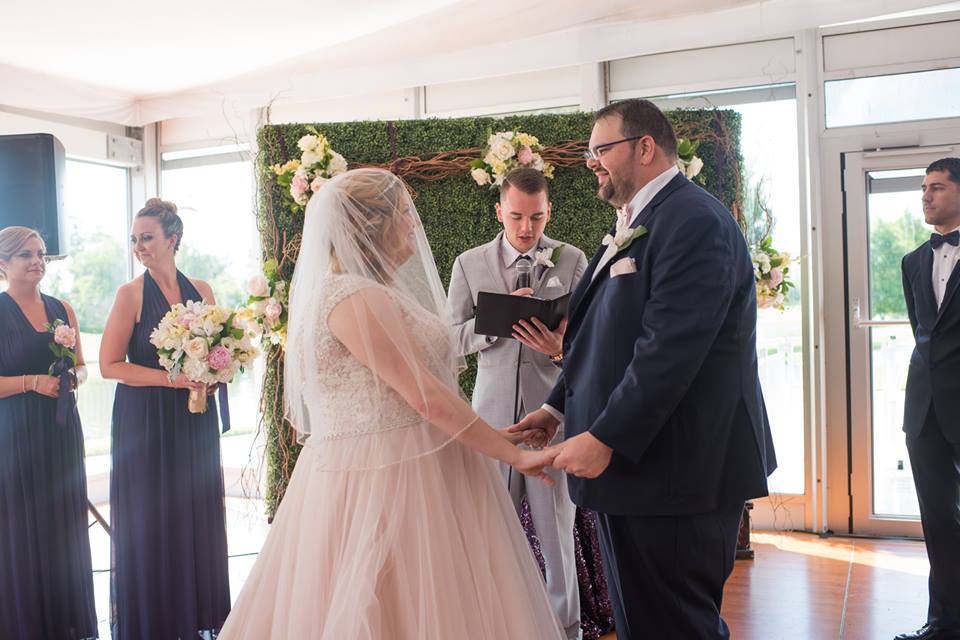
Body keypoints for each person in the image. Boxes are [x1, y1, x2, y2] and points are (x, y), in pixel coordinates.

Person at [218, 168, 563, 639]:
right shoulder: (354, 298)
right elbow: (423, 394)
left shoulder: (366, 292)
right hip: (385, 476)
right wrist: (514, 455)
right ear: (373, 225)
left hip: (415, 460)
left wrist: (491, 436)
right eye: (404, 214)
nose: (414, 225)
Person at [511, 98, 777, 640]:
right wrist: (556, 406)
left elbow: (671, 349)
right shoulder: (640, 219)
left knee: (674, 626)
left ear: (645, 147)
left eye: (600, 150)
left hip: (677, 471)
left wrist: (606, 434)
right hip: (641, 474)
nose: (592, 163)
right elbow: (601, 337)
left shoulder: (693, 220)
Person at [447, 167, 587, 640]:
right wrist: (498, 322)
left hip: (551, 419)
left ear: (549, 211)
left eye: (537, 217)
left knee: (558, 536)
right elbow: (450, 339)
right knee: (491, 532)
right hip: (491, 423)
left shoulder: (572, 260)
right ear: (498, 212)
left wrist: (559, 348)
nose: (527, 229)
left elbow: (591, 340)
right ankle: (491, 626)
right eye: (516, 217)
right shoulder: (468, 263)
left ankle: (565, 629)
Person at [100, 198, 230, 639]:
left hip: (194, 421)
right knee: (153, 517)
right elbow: (109, 365)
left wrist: (214, 372)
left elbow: (218, 350)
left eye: (148, 238)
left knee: (193, 508)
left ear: (172, 239)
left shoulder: (203, 290)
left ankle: (195, 615)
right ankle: (153, 620)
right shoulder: (130, 294)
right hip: (145, 422)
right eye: (135, 239)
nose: (139, 246)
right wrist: (171, 379)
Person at [0, 226, 98, 640]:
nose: (37, 261)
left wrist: (70, 379)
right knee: (22, 524)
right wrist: (32, 382)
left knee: (62, 524)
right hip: (14, 435)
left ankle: (67, 621)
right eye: (25, 254)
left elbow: (81, 367)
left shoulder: (63, 308)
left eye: (40, 254)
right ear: (3, 263)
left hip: (60, 432)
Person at [897, 157, 960, 640]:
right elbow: (925, 333)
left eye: (936, 188)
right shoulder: (913, 260)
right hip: (924, 411)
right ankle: (943, 623)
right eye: (924, 188)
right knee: (938, 522)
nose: (926, 196)